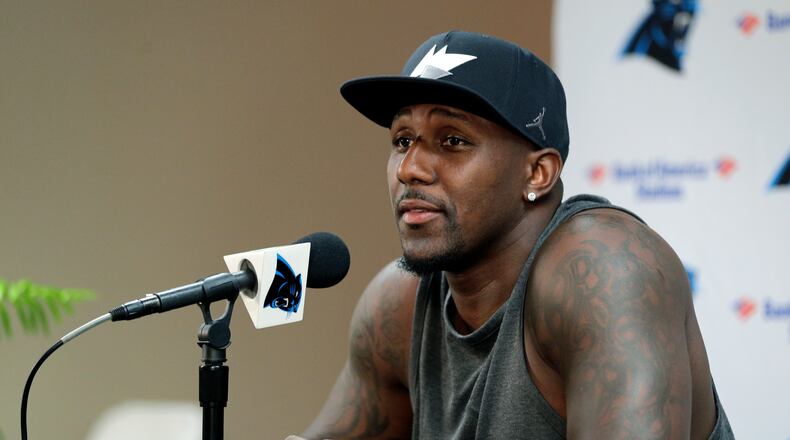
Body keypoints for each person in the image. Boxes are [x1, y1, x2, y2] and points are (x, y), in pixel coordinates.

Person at [301, 31, 735, 439]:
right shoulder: (399, 305)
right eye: (402, 140)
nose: (409, 168)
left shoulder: (601, 273)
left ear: (537, 173)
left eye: (452, 141)